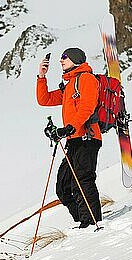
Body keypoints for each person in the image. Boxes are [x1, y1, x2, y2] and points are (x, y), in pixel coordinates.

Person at [36, 47, 102, 228]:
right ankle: (82, 221)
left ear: (76, 59)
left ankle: (91, 222)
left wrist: (69, 127)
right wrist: (42, 76)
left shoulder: (86, 79)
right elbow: (45, 100)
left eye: (65, 57)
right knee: (63, 187)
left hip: (87, 137)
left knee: (82, 180)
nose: (61, 60)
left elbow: (87, 107)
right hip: (73, 140)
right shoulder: (68, 85)